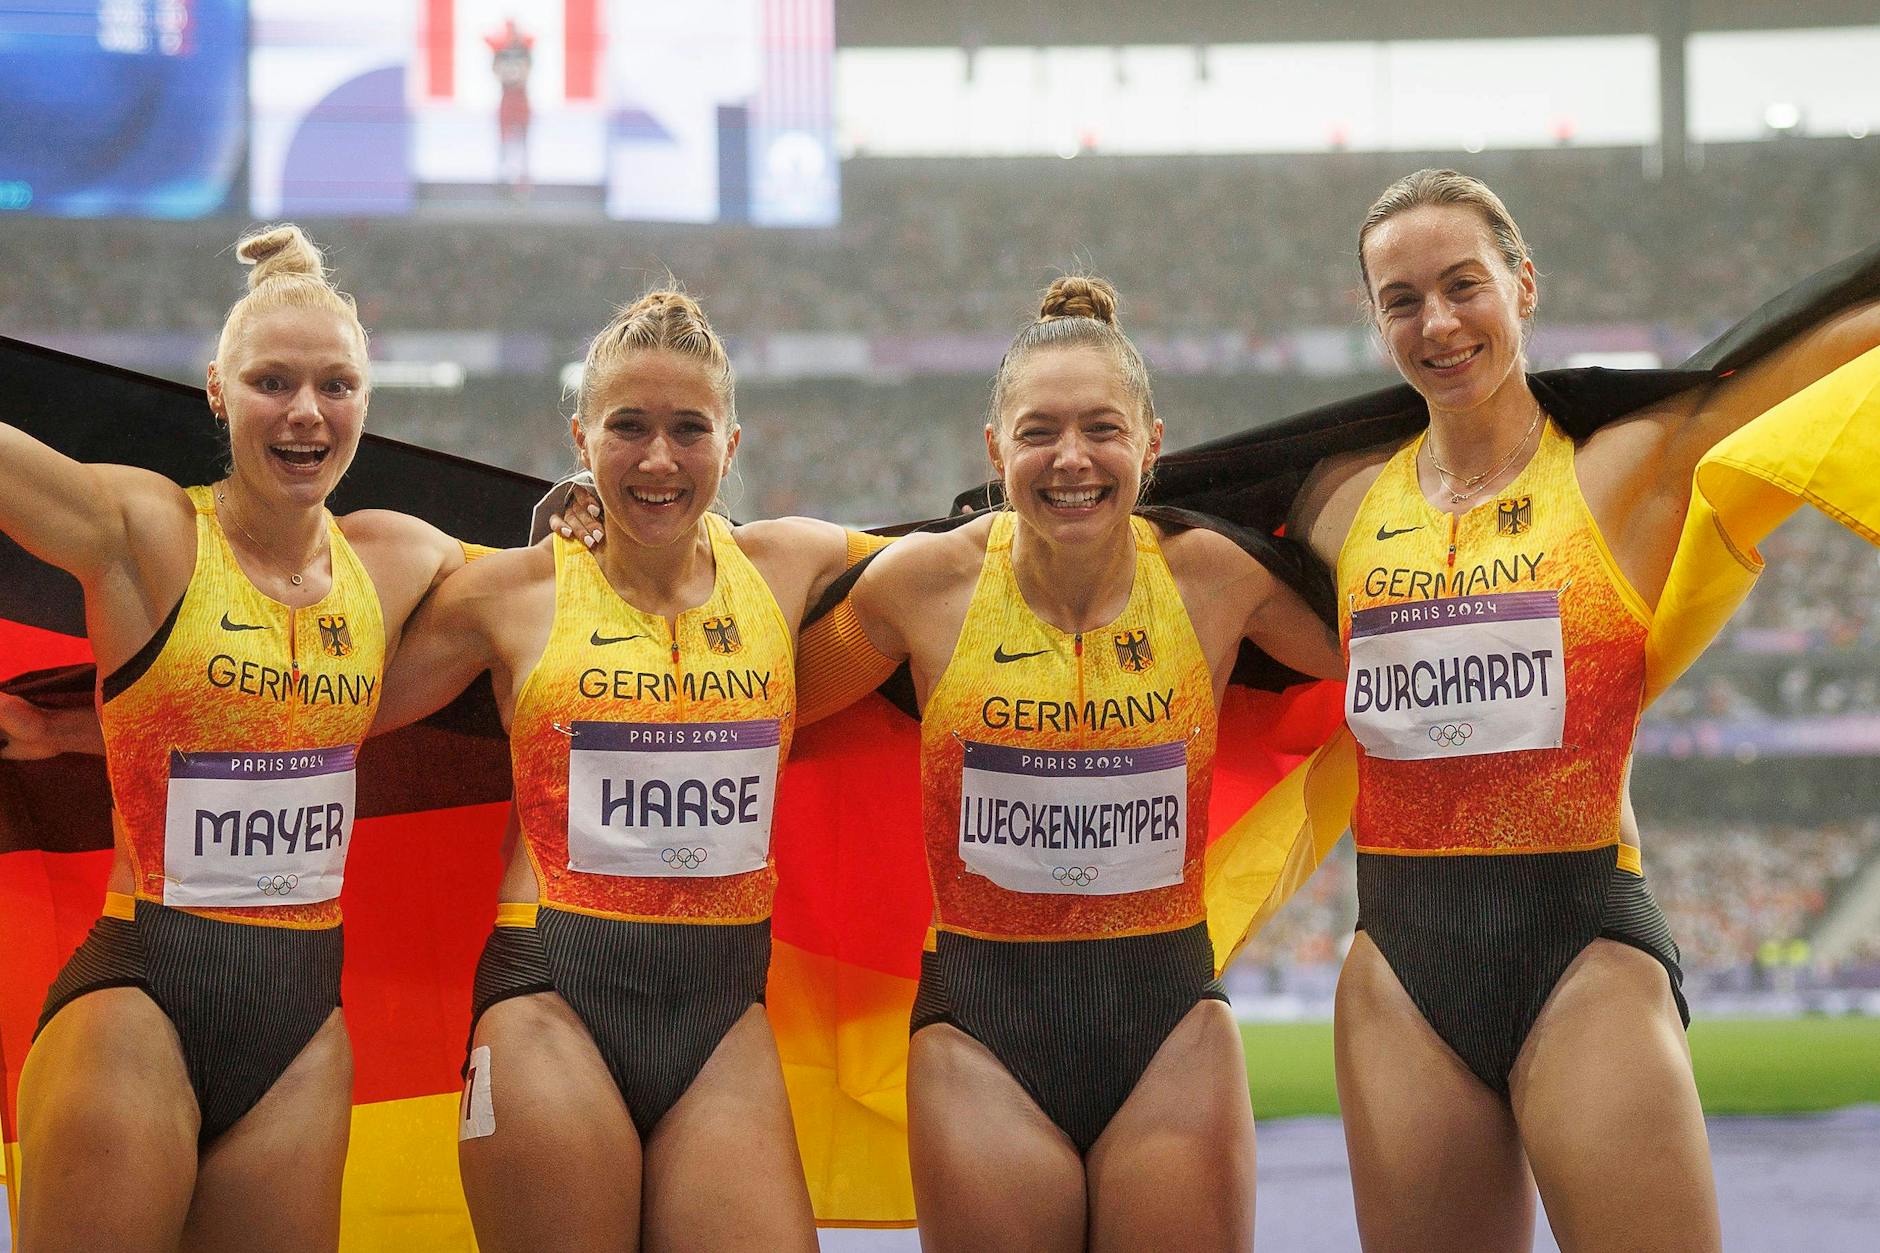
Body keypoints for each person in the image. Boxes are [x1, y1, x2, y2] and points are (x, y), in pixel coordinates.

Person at [1287, 168, 1880, 1252]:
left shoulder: (1627, 470)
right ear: (1373, 322)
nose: (1437, 321)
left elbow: (1832, 346)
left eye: (1462, 284)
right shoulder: (1333, 506)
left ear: (1522, 286)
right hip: (1399, 967)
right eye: (1400, 298)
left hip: (1579, 945)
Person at [841, 275, 1343, 1250]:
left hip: (1169, 1033)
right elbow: (752, 681)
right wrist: (607, 540)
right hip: (980, 1035)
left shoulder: (1216, 579)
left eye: (1100, 428)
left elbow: (1395, 642)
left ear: (1150, 441)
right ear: (994, 449)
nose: (1070, 458)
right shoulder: (922, 584)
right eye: (1037, 432)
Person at [372, 287, 878, 1252]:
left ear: (732, 444)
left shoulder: (791, 564)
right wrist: (81, 731)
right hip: (549, 994)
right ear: (581, 436)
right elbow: (315, 708)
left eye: (689, 429)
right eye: (628, 427)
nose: (657, 458)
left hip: (722, 1011)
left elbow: (985, 580)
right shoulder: (509, 591)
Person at [2, 225, 471, 1251]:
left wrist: (577, 513)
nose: (306, 411)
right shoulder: (149, 531)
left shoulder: (397, 561)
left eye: (336, 385)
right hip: (140, 998)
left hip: (300, 1031)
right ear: (216, 389)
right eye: (271, 381)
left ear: (367, 400)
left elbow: (571, 595)